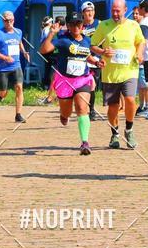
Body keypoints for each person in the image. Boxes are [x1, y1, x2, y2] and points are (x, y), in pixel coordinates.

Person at [40, 16, 103, 155]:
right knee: (66, 112)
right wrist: (52, 33)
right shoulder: (63, 40)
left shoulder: (87, 40)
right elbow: (44, 50)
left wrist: (96, 62)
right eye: (73, 24)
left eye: (78, 24)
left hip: (82, 79)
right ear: (68, 26)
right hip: (65, 81)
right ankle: (64, 115)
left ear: (82, 25)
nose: (76, 27)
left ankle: (85, 143)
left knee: (82, 108)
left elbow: (86, 56)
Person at [90, 0, 145, 150]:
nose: (115, 13)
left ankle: (129, 130)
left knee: (130, 100)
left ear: (125, 10)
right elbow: (93, 45)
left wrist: (140, 54)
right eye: (113, 10)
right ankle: (114, 134)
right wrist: (102, 51)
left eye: (118, 11)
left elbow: (141, 42)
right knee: (113, 106)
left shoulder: (133, 25)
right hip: (110, 73)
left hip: (129, 71)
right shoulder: (104, 25)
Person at [0, 10, 30, 123]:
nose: (9, 22)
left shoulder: (18, 32)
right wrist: (4, 58)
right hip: (3, 68)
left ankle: (18, 114)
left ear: (14, 20)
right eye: (6, 20)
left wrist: (24, 52)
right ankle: (0, 94)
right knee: (3, 91)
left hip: (16, 65)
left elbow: (19, 42)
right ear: (3, 21)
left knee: (19, 88)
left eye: (11, 20)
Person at [80, 1, 101, 121]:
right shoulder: (80, 25)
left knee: (93, 85)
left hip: (96, 58)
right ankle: (89, 109)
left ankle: (91, 108)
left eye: (92, 10)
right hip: (84, 59)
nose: (90, 13)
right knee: (88, 85)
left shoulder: (99, 24)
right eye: (87, 11)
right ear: (83, 13)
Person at [132, 7, 148, 117]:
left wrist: (142, 56)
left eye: (137, 14)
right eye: (134, 14)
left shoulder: (144, 27)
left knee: (146, 85)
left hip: (144, 60)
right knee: (140, 85)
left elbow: (145, 43)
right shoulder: (134, 27)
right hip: (136, 61)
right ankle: (141, 106)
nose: (135, 16)